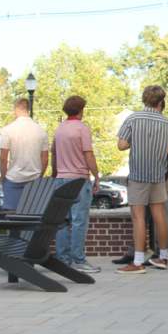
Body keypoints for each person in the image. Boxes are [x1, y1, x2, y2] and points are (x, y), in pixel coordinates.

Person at [115, 86, 168, 274]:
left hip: (138, 175)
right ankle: (163, 257)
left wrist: (139, 142)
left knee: (138, 217)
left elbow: (121, 145)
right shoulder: (167, 123)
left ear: (144, 99)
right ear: (161, 101)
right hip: (158, 175)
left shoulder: (133, 118)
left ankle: (138, 261)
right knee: (160, 216)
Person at [52, 95, 101, 274]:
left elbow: (54, 154)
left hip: (60, 179)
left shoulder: (59, 129)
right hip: (79, 179)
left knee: (62, 221)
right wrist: (96, 175)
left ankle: (63, 259)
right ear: (81, 110)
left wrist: (54, 173)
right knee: (79, 221)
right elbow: (88, 155)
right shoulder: (82, 129)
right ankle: (78, 260)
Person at [0, 98, 49, 210]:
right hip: (34, 178)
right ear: (28, 109)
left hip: (13, 178)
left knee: (12, 217)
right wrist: (40, 175)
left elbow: (3, 158)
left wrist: (3, 178)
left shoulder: (7, 130)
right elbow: (45, 159)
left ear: (16, 109)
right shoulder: (41, 131)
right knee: (31, 215)